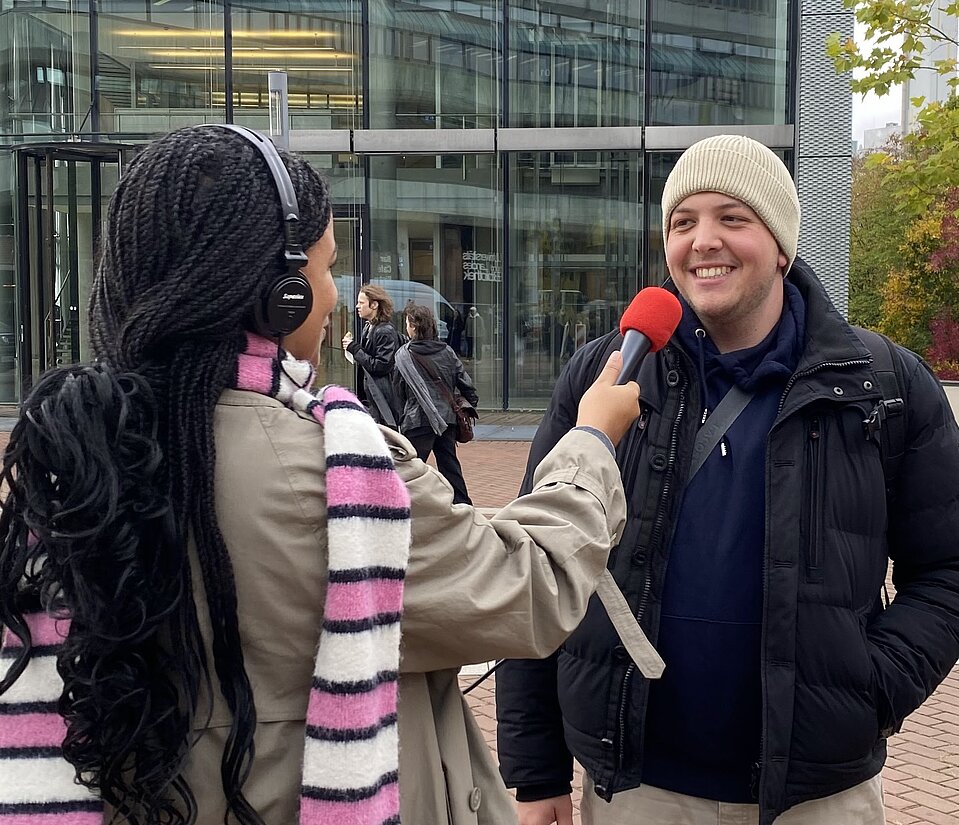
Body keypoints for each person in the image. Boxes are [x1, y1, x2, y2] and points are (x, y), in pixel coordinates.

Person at [0, 124, 642, 825]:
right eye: (326, 268)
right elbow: (529, 584)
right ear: (280, 293)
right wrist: (591, 440)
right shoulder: (342, 480)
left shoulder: (71, 466)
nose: (334, 295)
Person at [495, 134, 959, 825]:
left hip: (818, 799)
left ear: (782, 244)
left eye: (732, 218)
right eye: (683, 221)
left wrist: (872, 689)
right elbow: (536, 565)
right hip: (639, 791)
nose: (703, 240)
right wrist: (536, 769)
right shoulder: (604, 375)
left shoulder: (881, 383)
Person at [393, 302, 478, 506]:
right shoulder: (446, 351)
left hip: (418, 420)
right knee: (450, 466)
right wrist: (468, 404)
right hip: (447, 418)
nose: (406, 327)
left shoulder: (404, 356)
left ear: (414, 327)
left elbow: (398, 392)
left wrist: (402, 416)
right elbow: (465, 382)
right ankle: (463, 505)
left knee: (411, 469)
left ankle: (401, 506)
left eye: (407, 323)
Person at [342, 282, 401, 427]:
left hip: (381, 398)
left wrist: (354, 348)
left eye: (361, 303)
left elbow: (381, 366)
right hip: (372, 396)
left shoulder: (384, 331)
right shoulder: (369, 326)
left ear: (374, 305)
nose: (357, 306)